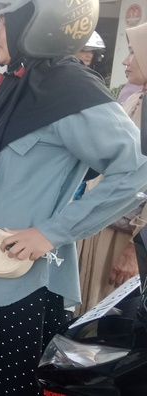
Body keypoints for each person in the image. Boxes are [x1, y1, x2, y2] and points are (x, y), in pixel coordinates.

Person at [0, 1, 147, 394]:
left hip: (19, 287)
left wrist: (51, 232)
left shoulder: (71, 89)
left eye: (3, 21)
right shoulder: (18, 81)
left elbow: (136, 168)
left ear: (37, 24)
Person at [74, 21, 147, 316]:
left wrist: (136, 249)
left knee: (106, 324)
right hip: (101, 223)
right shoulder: (133, 98)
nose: (125, 61)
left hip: (128, 239)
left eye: (134, 52)